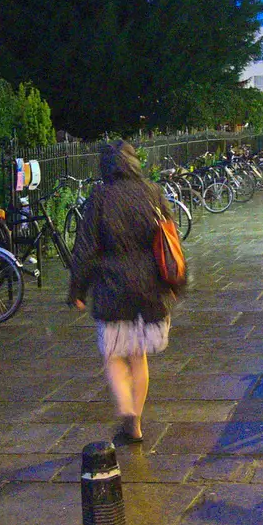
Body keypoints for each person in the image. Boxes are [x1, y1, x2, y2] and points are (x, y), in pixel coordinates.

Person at [68, 142, 182, 445]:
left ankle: (126, 410)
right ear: (133, 162)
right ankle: (138, 421)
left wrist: (77, 288)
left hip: (112, 286)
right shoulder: (152, 191)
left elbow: (86, 248)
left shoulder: (100, 196)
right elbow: (169, 234)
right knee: (138, 357)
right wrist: (174, 284)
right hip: (149, 286)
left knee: (113, 356)